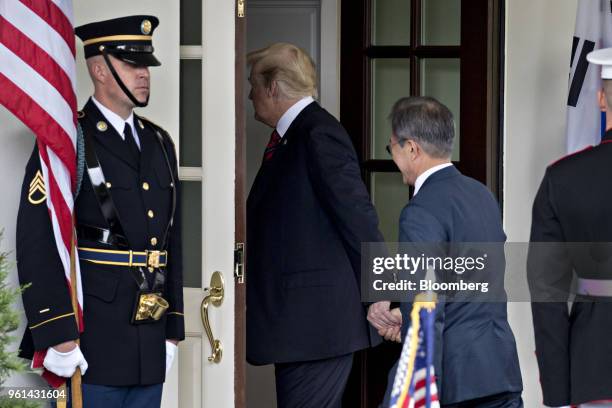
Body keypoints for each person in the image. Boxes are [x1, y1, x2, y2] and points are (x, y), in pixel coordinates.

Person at [16, 15, 184, 408]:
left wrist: (173, 327)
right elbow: (38, 239)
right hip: (92, 339)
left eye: (146, 66)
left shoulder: (160, 143)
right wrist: (57, 331)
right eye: (133, 65)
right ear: (98, 69)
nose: (144, 75)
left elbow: (173, 239)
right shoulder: (68, 138)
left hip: (149, 339)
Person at [246, 42, 385, 407]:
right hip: (303, 326)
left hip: (319, 326)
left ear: (273, 87)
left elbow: (358, 217)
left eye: (253, 85)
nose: (249, 95)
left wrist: (383, 289)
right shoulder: (294, 135)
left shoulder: (318, 134)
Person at [377, 96, 523, 407]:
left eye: (392, 148)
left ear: (412, 148)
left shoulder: (420, 211)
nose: (393, 157)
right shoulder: (481, 194)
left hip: (454, 381)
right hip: (498, 369)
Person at [528, 47, 612, 408]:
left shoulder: (564, 178)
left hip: (593, 367)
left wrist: (558, 392)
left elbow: (546, 290)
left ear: (601, 98)